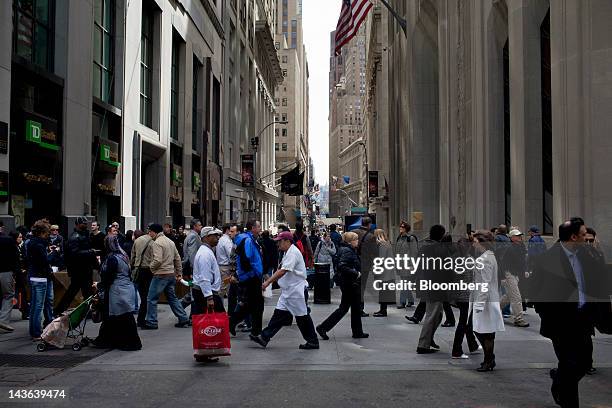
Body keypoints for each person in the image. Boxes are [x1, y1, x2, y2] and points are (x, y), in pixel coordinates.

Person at [531, 218, 606, 407]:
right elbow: (535, 291)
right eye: (583, 235)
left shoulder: (588, 254)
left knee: (584, 364)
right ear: (573, 237)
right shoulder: (547, 260)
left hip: (583, 319)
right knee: (570, 363)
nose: (587, 238)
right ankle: (570, 402)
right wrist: (546, 314)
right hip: (560, 324)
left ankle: (558, 382)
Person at [250, 231, 319, 350]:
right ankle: (264, 337)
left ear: (287, 241)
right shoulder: (288, 252)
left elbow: (283, 271)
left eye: (280, 241)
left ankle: (312, 341)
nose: (278, 244)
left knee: (302, 317)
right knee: (279, 315)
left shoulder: (292, 253)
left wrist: (267, 282)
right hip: (289, 291)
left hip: (296, 291)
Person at [92, 235, 142, 351]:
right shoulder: (123, 256)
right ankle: (109, 340)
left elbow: (109, 276)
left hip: (117, 290)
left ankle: (127, 342)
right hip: (125, 288)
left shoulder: (112, 258)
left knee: (121, 316)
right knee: (118, 316)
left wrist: (98, 285)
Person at [316, 232, 368, 340]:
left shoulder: (346, 249)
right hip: (351, 284)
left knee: (353, 308)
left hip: (349, 283)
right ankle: (323, 327)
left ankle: (357, 331)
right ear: (350, 241)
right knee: (346, 308)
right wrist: (356, 273)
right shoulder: (348, 251)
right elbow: (342, 266)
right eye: (356, 239)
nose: (357, 241)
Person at [469, 230, 505, 371]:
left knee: (483, 331)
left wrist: (479, 304)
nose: (474, 244)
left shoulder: (484, 259)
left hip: (485, 300)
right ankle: (489, 359)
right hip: (488, 298)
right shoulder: (489, 256)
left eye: (476, 241)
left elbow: (485, 283)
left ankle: (489, 359)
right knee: (486, 331)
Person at [143, 223, 190, 329]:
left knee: (151, 298)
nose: (149, 234)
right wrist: (178, 273)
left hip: (160, 274)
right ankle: (183, 318)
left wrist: (151, 268)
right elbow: (177, 258)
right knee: (172, 298)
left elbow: (158, 260)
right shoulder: (170, 242)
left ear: (154, 232)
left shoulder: (157, 243)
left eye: (150, 231)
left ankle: (151, 321)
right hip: (170, 273)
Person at [415, 225, 453, 354]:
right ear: (441, 235)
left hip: (427, 284)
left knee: (437, 315)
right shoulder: (439, 249)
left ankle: (428, 340)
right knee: (432, 315)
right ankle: (423, 344)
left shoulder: (424, 246)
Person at [191, 227, 226, 362]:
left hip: (207, 292)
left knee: (208, 322)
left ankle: (205, 350)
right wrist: (209, 297)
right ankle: (204, 350)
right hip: (205, 292)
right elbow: (204, 278)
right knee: (208, 323)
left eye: (217, 236)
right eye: (214, 236)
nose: (217, 238)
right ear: (206, 237)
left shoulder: (208, 251)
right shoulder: (205, 254)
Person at [55, 217, 99, 316]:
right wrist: (90, 252)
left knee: (85, 291)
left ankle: (87, 310)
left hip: (85, 268)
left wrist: (93, 260)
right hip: (79, 270)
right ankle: (59, 309)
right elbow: (74, 253)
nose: (86, 225)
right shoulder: (75, 237)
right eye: (83, 223)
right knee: (74, 291)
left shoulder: (84, 236)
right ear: (78, 224)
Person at [229, 221, 264, 336]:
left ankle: (235, 323)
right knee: (256, 304)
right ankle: (255, 331)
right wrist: (252, 273)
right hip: (251, 277)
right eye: (258, 226)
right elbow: (245, 259)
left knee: (251, 304)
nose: (260, 229)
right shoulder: (247, 240)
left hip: (250, 276)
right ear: (253, 228)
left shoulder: (248, 239)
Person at [451, 237, 481, 359]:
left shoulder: (454, 258)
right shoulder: (469, 260)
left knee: (467, 321)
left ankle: (472, 345)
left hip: (458, 293)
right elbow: (471, 279)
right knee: (464, 322)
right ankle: (456, 350)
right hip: (466, 295)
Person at [26, 220, 54, 340]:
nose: (48, 234)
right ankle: (36, 332)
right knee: (38, 306)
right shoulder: (38, 244)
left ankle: (36, 330)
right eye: (47, 232)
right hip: (40, 277)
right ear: (42, 232)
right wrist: (54, 253)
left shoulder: (32, 242)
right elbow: (45, 261)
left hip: (36, 276)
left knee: (36, 305)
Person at [499, 229, 530, 327]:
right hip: (509, 273)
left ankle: (494, 309)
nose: (519, 237)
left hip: (515, 274)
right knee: (516, 296)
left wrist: (525, 270)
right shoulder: (509, 248)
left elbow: (523, 260)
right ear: (511, 238)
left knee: (508, 296)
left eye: (520, 235)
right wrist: (503, 276)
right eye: (517, 235)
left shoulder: (520, 246)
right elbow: (503, 263)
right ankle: (518, 318)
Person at [130, 226, 154, 328]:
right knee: (148, 297)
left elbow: (133, 256)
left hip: (139, 270)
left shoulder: (137, 241)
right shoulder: (153, 241)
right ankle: (145, 319)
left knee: (142, 294)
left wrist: (133, 267)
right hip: (149, 270)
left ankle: (141, 319)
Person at [354, 217, 377, 316]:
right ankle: (359, 308)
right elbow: (375, 252)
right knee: (361, 287)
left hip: (353, 263)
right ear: (369, 224)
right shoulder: (371, 236)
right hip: (364, 265)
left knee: (355, 286)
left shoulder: (353, 232)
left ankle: (356, 307)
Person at [181, 219, 203, 314]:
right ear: (194, 226)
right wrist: (194, 269)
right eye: (199, 225)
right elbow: (192, 254)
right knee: (194, 291)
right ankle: (186, 312)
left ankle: (181, 309)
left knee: (193, 291)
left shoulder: (191, 236)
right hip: (192, 269)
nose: (201, 226)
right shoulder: (193, 236)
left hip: (191, 269)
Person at [372, 229, 395, 317]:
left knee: (383, 292)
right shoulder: (387, 243)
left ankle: (383, 310)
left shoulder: (382, 245)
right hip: (388, 270)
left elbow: (381, 259)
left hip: (384, 271)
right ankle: (382, 310)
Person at [0, 226, 19, 332]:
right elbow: (15, 257)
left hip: (6, 270)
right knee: (8, 295)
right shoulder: (8, 240)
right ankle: (3, 320)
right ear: (2, 228)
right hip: (6, 271)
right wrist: (15, 273)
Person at [395, 221, 417, 308]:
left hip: (407, 264)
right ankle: (411, 300)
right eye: (400, 226)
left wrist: (412, 265)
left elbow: (414, 252)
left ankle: (402, 302)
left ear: (406, 229)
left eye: (403, 227)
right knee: (405, 283)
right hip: (400, 264)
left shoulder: (411, 238)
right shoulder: (399, 238)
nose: (401, 228)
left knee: (404, 283)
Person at [217, 224, 237, 300]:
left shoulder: (222, 239)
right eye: (231, 231)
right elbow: (231, 255)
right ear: (227, 230)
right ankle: (219, 308)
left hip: (222, 267)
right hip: (225, 268)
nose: (231, 233)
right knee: (224, 289)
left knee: (224, 288)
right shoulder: (226, 241)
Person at [11, 231, 29, 320]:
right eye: (19, 237)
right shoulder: (12, 247)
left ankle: (24, 312)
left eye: (21, 237)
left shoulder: (21, 247)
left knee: (23, 292)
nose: (21, 239)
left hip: (21, 273)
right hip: (15, 273)